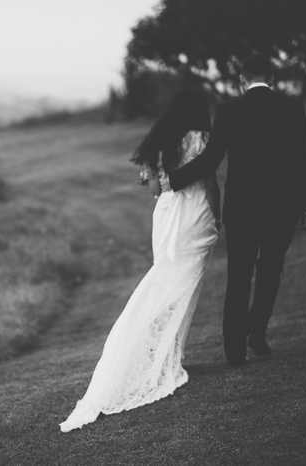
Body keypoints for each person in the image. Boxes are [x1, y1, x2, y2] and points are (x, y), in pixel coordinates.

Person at [59, 89, 221, 433]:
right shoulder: (202, 138)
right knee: (182, 287)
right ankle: (165, 356)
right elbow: (209, 182)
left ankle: (162, 354)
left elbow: (156, 192)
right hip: (195, 215)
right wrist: (217, 217)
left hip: (165, 217)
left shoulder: (159, 142)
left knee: (165, 281)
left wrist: (153, 179)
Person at [166, 54, 306, 366]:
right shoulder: (291, 107)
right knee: (271, 269)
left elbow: (211, 159)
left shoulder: (229, 110)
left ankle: (234, 351)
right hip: (282, 207)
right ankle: (257, 333)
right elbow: (302, 159)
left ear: (242, 81)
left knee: (239, 276)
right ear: (271, 79)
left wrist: (173, 179)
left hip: (241, 209)